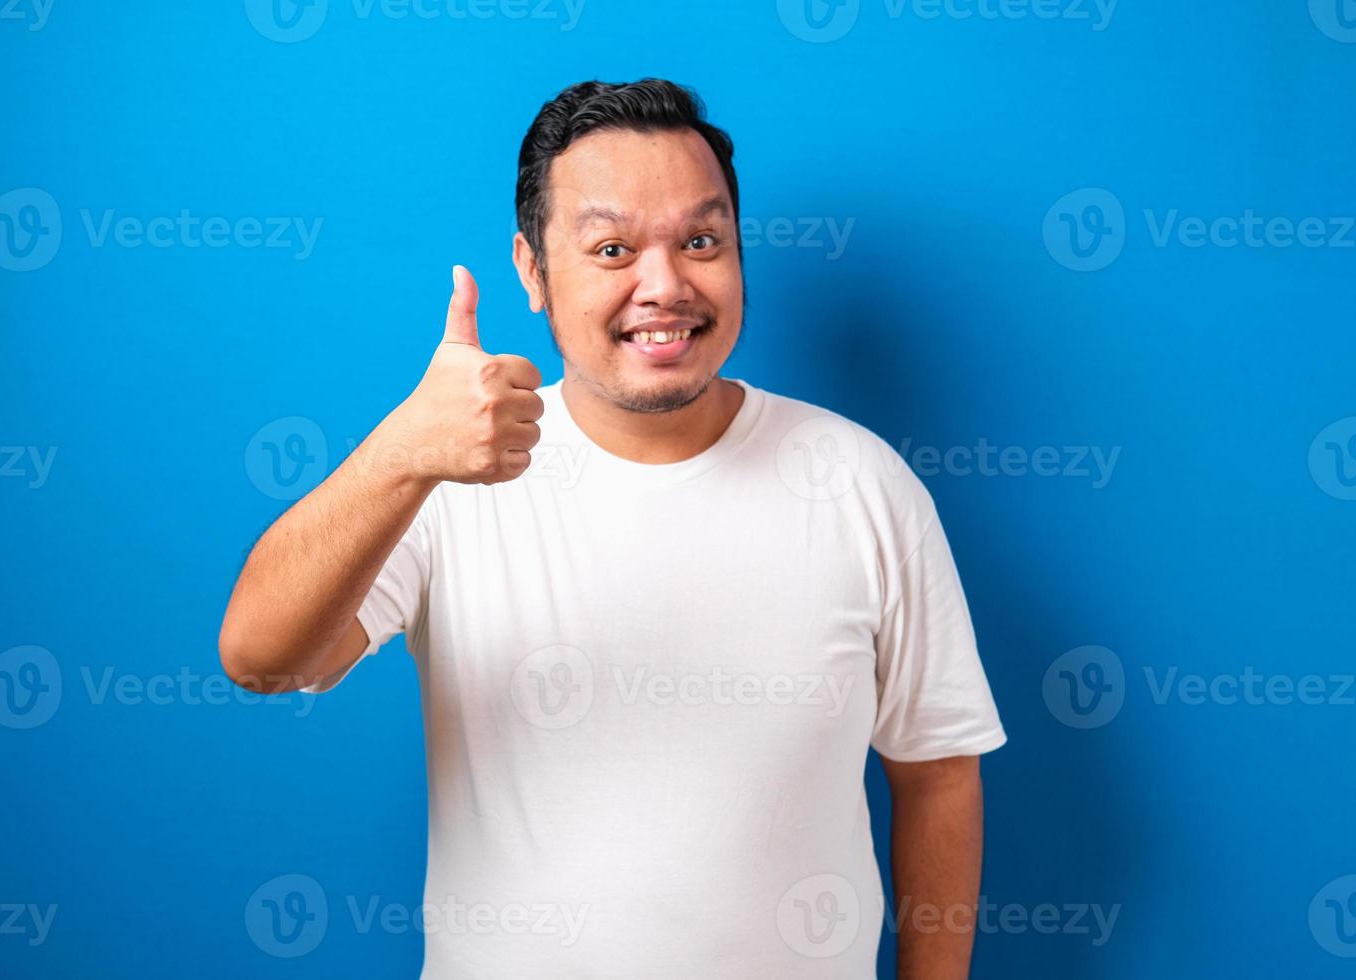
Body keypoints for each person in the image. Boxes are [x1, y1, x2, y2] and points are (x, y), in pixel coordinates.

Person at [219, 77, 1007, 980]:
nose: (664, 287)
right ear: (533, 270)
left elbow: (939, 770)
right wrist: (400, 453)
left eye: (702, 241)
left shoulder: (860, 481)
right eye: (612, 248)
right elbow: (262, 658)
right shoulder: (448, 476)